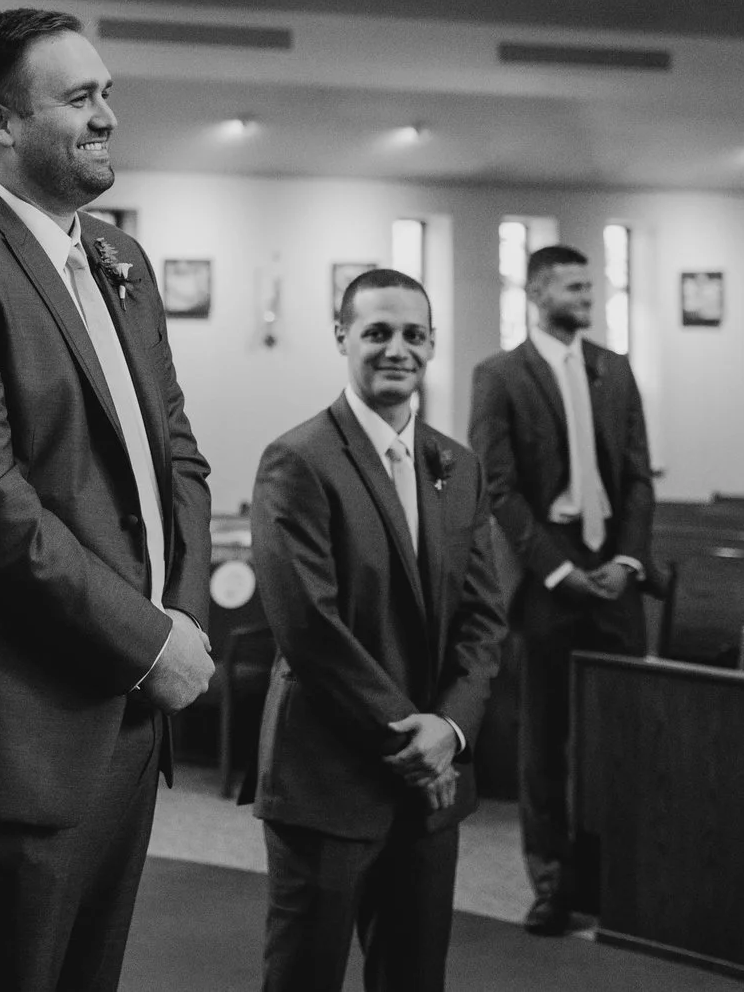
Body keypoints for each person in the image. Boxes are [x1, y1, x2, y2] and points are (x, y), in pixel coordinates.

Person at [0, 7, 214, 992]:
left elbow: (176, 452)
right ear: (2, 121)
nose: (107, 116)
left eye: (108, 93)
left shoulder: (120, 258)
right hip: (11, 710)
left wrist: (178, 615)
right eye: (79, 97)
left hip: (128, 698)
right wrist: (148, 639)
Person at [250, 269, 508, 992]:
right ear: (342, 337)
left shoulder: (458, 466)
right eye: (378, 332)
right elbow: (310, 626)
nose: (398, 348)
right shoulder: (299, 459)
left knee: (415, 977)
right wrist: (412, 739)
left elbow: (484, 615)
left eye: (413, 333)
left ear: (432, 343)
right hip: (328, 774)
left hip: (431, 784)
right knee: (305, 978)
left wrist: (450, 729)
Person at [471, 243, 654, 935]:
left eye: (589, 285)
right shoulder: (500, 375)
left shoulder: (615, 367)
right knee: (546, 739)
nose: (587, 296)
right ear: (537, 291)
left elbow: (637, 476)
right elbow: (497, 485)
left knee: (618, 733)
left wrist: (628, 559)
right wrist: (556, 567)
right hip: (548, 569)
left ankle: (614, 880)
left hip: (615, 568)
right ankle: (552, 883)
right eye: (574, 286)